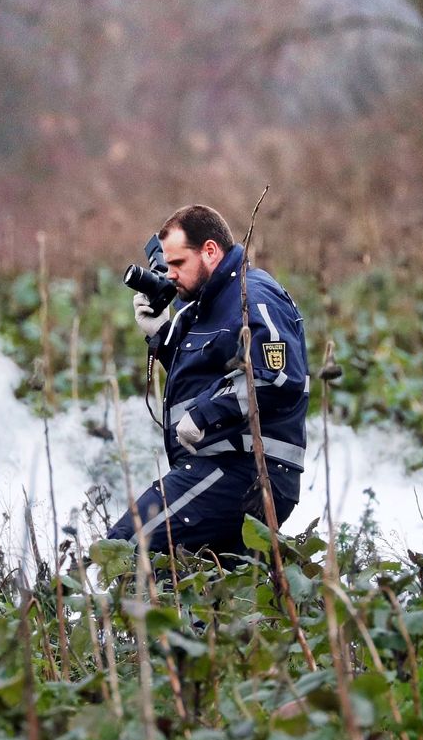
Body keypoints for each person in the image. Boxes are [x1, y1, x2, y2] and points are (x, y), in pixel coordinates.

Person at [106, 203, 309, 556]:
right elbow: (210, 378)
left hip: (244, 473)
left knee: (122, 549)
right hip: (216, 471)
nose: (169, 275)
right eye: (165, 265)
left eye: (178, 264)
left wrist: (205, 414)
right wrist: (163, 337)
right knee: (204, 596)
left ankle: (47, 604)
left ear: (210, 251)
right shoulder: (204, 306)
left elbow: (279, 377)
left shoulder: (254, 296)